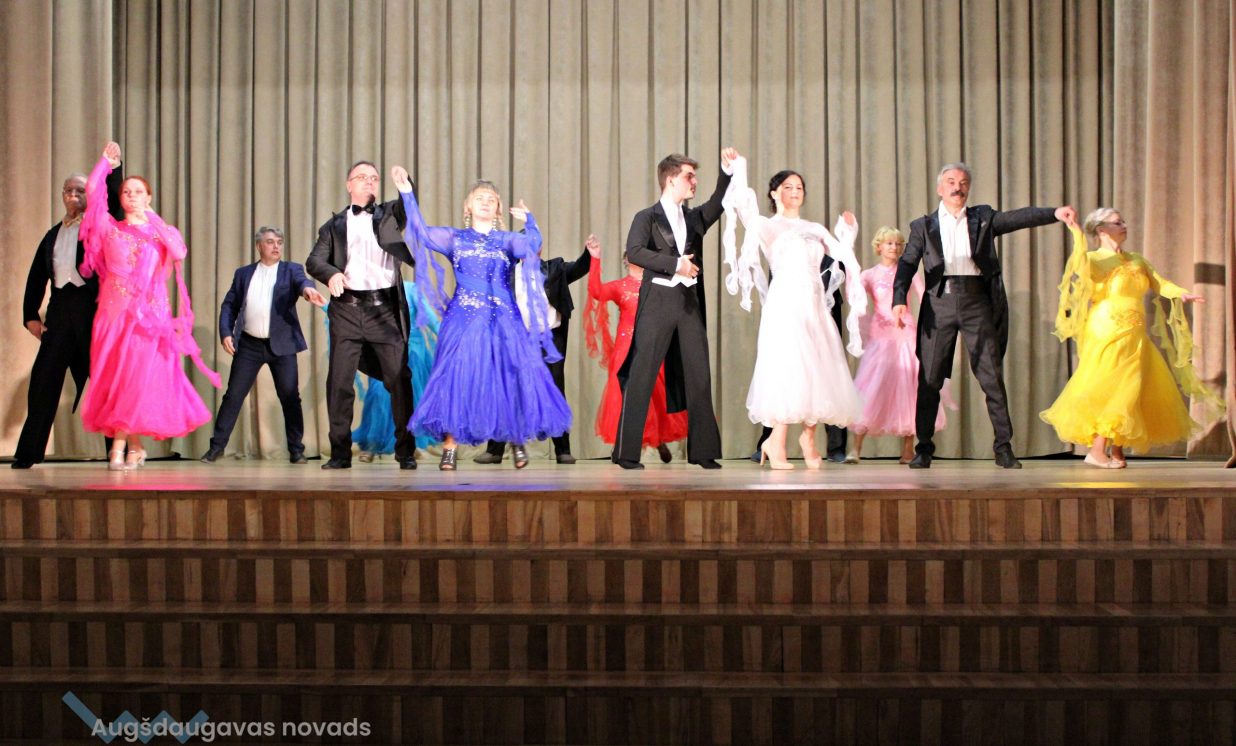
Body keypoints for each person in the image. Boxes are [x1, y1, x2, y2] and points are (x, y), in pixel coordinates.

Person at [892, 162, 1075, 468]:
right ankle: (923, 448)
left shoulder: (983, 218)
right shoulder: (922, 226)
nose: (957, 187)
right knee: (930, 378)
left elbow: (1018, 217)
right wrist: (899, 299)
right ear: (939, 188)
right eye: (951, 181)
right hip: (939, 303)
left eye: (963, 182)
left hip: (976, 301)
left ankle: (1003, 447)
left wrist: (1054, 213)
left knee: (991, 377)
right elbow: (908, 263)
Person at [396, 170, 571, 470]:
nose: (486, 202)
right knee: (456, 380)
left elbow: (532, 245)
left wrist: (530, 221)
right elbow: (421, 232)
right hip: (463, 319)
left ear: (499, 208)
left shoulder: (507, 240)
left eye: (492, 199)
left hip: (504, 319)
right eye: (480, 198)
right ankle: (450, 447)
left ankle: (516, 440)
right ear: (468, 206)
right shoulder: (455, 238)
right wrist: (406, 193)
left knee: (509, 379)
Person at [77, 141, 221, 469]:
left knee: (135, 380)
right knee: (117, 381)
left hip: (148, 320)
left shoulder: (160, 233)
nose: (132, 196)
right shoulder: (110, 229)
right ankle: (135, 447)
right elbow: (92, 191)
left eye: (139, 192)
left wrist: (152, 217)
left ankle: (118, 448)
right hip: (113, 316)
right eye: (127, 192)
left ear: (149, 197)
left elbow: (179, 251)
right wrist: (104, 164)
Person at [1041, 209, 1221, 467]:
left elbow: (1159, 283)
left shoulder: (1136, 259)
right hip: (1108, 327)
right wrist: (1077, 233)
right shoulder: (1093, 259)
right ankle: (1097, 450)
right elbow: (1077, 265)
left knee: (1134, 386)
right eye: (1117, 222)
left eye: (1123, 221)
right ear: (1101, 229)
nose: (1124, 225)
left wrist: (1180, 293)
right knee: (1115, 385)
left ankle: (1117, 449)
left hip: (1135, 330)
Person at [722, 156, 866, 469]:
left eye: (799, 187)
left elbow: (840, 253)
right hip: (785, 304)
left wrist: (848, 231)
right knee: (788, 368)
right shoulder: (767, 226)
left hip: (813, 305)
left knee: (818, 368)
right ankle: (775, 442)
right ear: (774, 193)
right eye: (788, 187)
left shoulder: (814, 228)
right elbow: (744, 206)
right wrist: (739, 167)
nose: (795, 191)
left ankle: (808, 438)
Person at [612, 149, 736, 470]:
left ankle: (703, 452)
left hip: (688, 304)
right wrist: (674, 264)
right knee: (642, 375)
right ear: (670, 180)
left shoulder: (694, 218)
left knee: (699, 373)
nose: (694, 182)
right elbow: (635, 252)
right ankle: (626, 453)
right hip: (657, 303)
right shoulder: (647, 217)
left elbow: (719, 202)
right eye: (688, 176)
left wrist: (726, 171)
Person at [305, 160, 416, 470]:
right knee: (339, 384)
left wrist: (405, 185)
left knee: (399, 379)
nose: (369, 181)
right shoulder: (333, 226)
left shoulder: (389, 214)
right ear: (348, 184)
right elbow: (314, 261)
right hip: (347, 310)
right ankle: (340, 454)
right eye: (362, 177)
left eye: (374, 178)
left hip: (385, 311)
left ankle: (405, 452)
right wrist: (330, 274)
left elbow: (409, 208)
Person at [12, 164, 123, 469]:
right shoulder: (53, 234)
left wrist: (113, 169)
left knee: (103, 382)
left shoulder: (100, 226)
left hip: (92, 312)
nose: (73, 195)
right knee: (43, 381)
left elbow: (115, 207)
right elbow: (37, 276)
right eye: (69, 190)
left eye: (80, 191)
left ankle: (118, 451)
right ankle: (29, 452)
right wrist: (30, 315)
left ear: (91, 196)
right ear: (62, 195)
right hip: (60, 312)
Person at [199, 227, 326, 464]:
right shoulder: (243, 274)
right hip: (249, 345)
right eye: (270, 242)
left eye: (279, 242)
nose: (276, 246)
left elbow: (302, 282)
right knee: (233, 396)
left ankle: (296, 450)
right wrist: (226, 333)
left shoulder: (291, 270)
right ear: (259, 246)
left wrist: (308, 290)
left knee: (290, 396)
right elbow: (229, 305)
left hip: (282, 345)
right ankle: (216, 448)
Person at [475, 234, 593, 465]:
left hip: (548, 340)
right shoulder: (505, 274)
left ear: (540, 248)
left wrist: (589, 253)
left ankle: (562, 450)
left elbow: (580, 268)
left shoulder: (555, 269)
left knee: (554, 392)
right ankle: (495, 450)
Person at [849, 227, 952, 463]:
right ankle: (855, 448)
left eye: (897, 244)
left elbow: (924, 295)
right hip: (881, 335)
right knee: (871, 387)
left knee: (909, 387)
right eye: (889, 243)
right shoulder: (870, 275)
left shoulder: (908, 273)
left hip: (906, 333)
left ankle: (908, 449)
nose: (894, 248)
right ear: (878, 247)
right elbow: (854, 295)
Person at [748, 243, 853, 464]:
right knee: (786, 376)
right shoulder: (781, 252)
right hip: (790, 315)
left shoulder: (826, 253)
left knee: (825, 378)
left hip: (821, 314)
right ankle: (771, 442)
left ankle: (830, 446)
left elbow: (841, 267)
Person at [584, 242, 688, 461]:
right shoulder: (620, 286)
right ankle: (625, 446)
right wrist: (595, 258)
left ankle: (657, 439)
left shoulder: (657, 285)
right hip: (625, 348)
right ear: (626, 260)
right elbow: (596, 291)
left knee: (654, 396)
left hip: (652, 346)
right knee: (623, 396)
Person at [351, 280, 441, 461]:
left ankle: (410, 445)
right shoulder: (369, 288)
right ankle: (373, 444)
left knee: (409, 396)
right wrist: (325, 306)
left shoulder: (411, 289)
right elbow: (353, 317)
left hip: (411, 350)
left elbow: (429, 318)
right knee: (378, 395)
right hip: (382, 349)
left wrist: (448, 337)